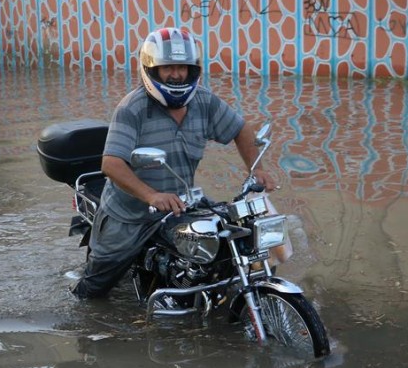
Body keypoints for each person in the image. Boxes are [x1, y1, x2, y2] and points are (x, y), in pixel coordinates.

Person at [72, 27, 273, 299]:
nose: (177, 74)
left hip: (179, 205)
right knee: (93, 292)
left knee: (227, 240)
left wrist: (256, 169)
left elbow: (240, 130)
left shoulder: (204, 101)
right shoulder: (132, 108)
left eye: (183, 67)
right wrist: (152, 195)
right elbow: (111, 163)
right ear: (152, 69)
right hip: (129, 216)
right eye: (168, 67)